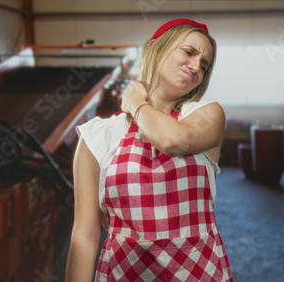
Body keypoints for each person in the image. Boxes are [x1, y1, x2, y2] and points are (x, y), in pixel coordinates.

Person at [66, 18, 233, 281]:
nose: (196, 67)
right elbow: (85, 236)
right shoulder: (99, 136)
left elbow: (173, 141)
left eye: (204, 65)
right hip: (124, 273)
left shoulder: (205, 115)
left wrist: (135, 103)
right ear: (157, 48)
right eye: (189, 52)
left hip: (198, 272)